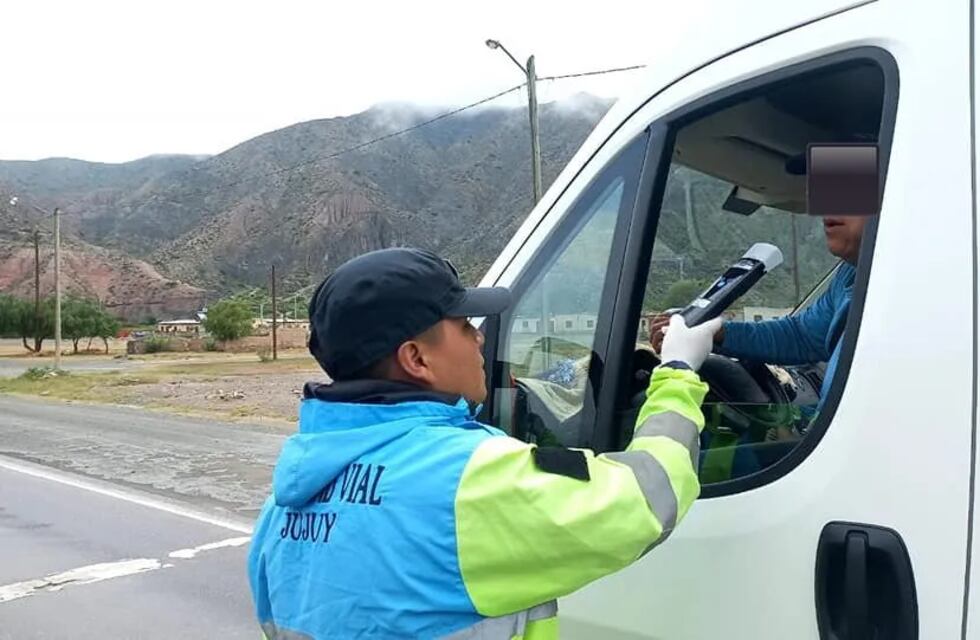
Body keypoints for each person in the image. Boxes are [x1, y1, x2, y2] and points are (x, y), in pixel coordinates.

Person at [247, 247, 721, 639]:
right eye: (465, 326)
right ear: (416, 358)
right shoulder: (470, 479)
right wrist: (678, 372)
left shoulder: (286, 500)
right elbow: (647, 497)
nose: (479, 339)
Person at [651, 214, 866, 412]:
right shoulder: (851, 273)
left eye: (853, 184)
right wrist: (716, 331)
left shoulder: (896, 300)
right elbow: (803, 336)